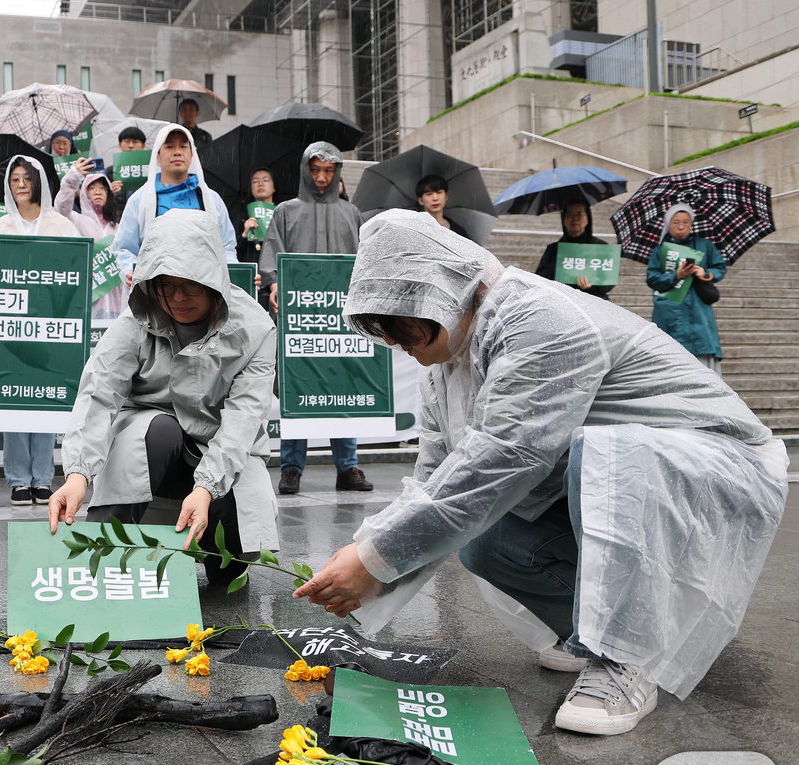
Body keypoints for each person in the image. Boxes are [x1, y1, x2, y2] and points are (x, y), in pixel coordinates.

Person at [292, 210, 787, 736]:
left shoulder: (540, 319)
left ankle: (625, 657)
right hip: (625, 474)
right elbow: (438, 479)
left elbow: (506, 456)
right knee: (483, 542)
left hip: (715, 467)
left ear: (440, 293)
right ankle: (608, 633)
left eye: (405, 329)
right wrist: (373, 563)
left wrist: (373, 559)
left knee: (608, 456)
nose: (405, 350)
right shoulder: (447, 365)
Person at [49, 208, 278, 588]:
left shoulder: (255, 330)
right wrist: (77, 475)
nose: (177, 299)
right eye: (165, 286)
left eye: (190, 285)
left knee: (228, 572)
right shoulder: (136, 320)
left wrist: (205, 489)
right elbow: (98, 394)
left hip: (220, 448)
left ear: (213, 279)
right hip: (152, 445)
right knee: (158, 431)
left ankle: (214, 542)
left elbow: (242, 421)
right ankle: (106, 544)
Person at [259, 143, 372, 496]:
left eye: (328, 171)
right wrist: (274, 284)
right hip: (299, 316)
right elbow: (272, 255)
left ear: (337, 173)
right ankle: (291, 468)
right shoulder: (285, 211)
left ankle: (347, 467)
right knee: (298, 387)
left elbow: (365, 260)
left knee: (343, 385)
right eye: (316, 170)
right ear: (305, 170)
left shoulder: (352, 214)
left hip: (340, 317)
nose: (321, 178)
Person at [0, 155, 79, 506]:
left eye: (27, 178)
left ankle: (43, 477)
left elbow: (76, 270)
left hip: (51, 325)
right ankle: (17, 480)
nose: (21, 185)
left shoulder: (62, 226)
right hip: (11, 327)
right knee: (14, 399)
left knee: (44, 398)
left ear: (39, 182)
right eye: (15, 179)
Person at [113, 125, 237, 287]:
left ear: (192, 154)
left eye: (183, 146)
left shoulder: (211, 199)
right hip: (156, 290)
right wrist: (129, 271)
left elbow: (226, 247)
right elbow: (125, 249)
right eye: (169, 146)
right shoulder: (139, 200)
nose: (177, 152)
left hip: (204, 290)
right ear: (157, 155)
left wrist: (238, 275)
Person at [646, 203, 726, 376]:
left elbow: (720, 267)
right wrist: (675, 275)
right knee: (669, 356)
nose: (681, 227)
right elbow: (652, 278)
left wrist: (705, 272)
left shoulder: (705, 246)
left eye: (686, 222)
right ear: (668, 225)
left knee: (702, 358)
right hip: (669, 310)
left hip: (699, 311)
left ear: (691, 224)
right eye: (675, 222)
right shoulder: (660, 251)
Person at [55, 156, 123, 319]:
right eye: (92, 188)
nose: (98, 192)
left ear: (109, 194)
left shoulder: (118, 227)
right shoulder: (76, 220)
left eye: (102, 188)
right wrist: (73, 178)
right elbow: (60, 208)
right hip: (87, 304)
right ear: (85, 194)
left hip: (117, 305)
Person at [533, 201, 614, 300]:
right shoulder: (553, 249)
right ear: (564, 219)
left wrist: (592, 286)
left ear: (588, 219)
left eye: (579, 214)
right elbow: (540, 279)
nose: (575, 219)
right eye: (570, 214)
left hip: (593, 300)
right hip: (561, 301)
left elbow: (610, 279)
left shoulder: (601, 248)